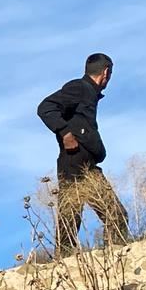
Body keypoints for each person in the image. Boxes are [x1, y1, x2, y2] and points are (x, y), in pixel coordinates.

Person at [37, 53, 129, 252]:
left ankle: (114, 258)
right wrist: (65, 133)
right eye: (110, 72)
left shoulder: (89, 92)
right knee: (70, 217)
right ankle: (65, 263)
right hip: (73, 163)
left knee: (116, 215)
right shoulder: (79, 87)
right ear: (106, 72)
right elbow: (46, 107)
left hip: (89, 165)